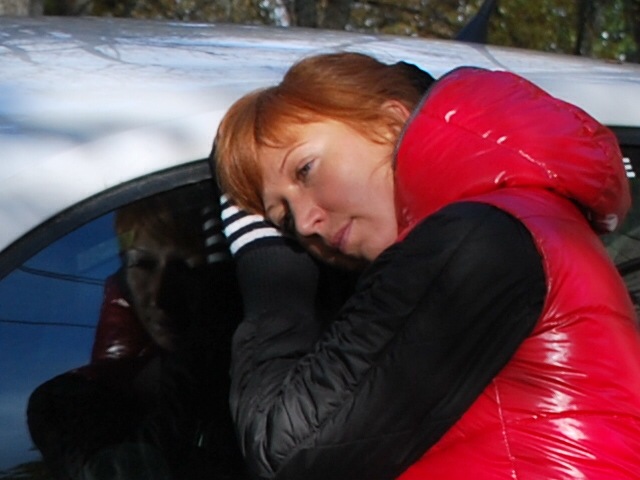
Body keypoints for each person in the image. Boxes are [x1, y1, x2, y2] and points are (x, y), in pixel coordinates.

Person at [212, 52, 640, 479]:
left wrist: (272, 277)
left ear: (390, 121)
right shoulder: (518, 218)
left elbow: (285, 453)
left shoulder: (473, 245)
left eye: (306, 170)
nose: (306, 224)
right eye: (285, 222)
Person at [27, 186, 247, 480]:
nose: (161, 295)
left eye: (189, 266)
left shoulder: (256, 368)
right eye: (143, 265)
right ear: (122, 280)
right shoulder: (63, 402)